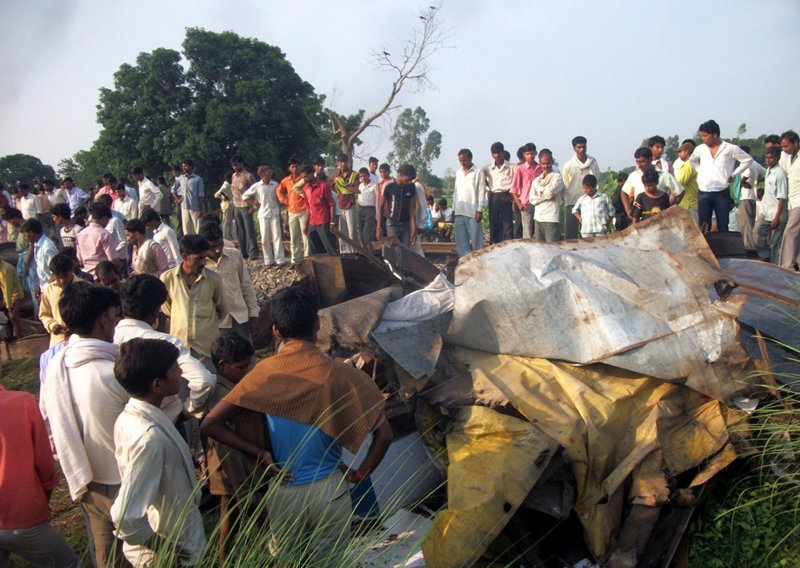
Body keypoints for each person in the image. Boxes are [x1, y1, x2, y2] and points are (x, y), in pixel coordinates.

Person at [201, 286, 392, 565]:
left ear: (276, 331)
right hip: (330, 491)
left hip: (283, 491)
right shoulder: (342, 374)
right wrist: (360, 474)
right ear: (317, 324)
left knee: (287, 562)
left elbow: (210, 424)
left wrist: (261, 454)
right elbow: (384, 434)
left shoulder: (263, 374)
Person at [40, 282, 129, 567]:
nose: (117, 322)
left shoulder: (56, 367)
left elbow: (49, 422)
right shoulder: (111, 372)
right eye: (115, 314)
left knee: (105, 553)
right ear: (103, 318)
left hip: (86, 476)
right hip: (122, 479)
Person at [110, 339, 207, 566]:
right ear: (157, 385)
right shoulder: (150, 439)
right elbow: (125, 516)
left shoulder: (132, 416)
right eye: (174, 369)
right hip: (167, 546)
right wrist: (167, 551)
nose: (181, 372)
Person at [115, 274, 216, 419]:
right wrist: (188, 409)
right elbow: (205, 381)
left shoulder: (109, 339)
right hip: (166, 419)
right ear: (157, 310)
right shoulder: (164, 342)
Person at [0, 385, 78, 568]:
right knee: (67, 563)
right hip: (21, 513)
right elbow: (44, 463)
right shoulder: (22, 402)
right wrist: (45, 496)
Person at [206, 332, 260, 562]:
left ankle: (225, 559)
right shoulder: (223, 395)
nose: (246, 372)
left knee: (229, 516)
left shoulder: (230, 385)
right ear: (223, 365)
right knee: (255, 515)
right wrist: (245, 488)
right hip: (233, 468)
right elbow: (227, 445)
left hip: (226, 469)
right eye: (241, 368)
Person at [160, 234, 225, 364]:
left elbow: (221, 308)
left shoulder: (213, 279)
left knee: (209, 381)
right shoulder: (167, 278)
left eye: (205, 258)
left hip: (206, 349)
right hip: (180, 347)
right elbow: (167, 309)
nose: (203, 262)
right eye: (199, 258)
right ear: (185, 256)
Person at [689, 119, 754, 232]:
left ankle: (723, 247)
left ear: (714, 135)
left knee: (723, 223)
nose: (703, 138)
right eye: (702, 136)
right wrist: (700, 171)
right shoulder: (701, 149)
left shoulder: (730, 148)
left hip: (721, 191)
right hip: (704, 190)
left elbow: (747, 160)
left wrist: (734, 174)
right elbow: (692, 160)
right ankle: (707, 248)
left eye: (705, 136)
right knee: (704, 225)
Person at [200, 222, 259, 341]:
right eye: (213, 247)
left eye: (220, 244)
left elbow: (246, 286)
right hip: (215, 323)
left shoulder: (235, 255)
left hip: (240, 318)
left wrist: (253, 314)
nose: (217, 250)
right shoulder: (199, 265)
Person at [621, 147, 684, 220]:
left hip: (660, 219)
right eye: (637, 162)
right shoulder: (634, 176)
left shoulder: (664, 175)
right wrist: (628, 210)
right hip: (641, 219)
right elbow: (624, 192)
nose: (639, 165)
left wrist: (670, 209)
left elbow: (680, 192)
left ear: (650, 159)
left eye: (642, 161)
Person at [243, 166, 287, 266]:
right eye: (268, 171)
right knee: (265, 238)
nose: (270, 173)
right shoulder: (257, 186)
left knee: (277, 237)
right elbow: (244, 196)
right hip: (263, 214)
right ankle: (268, 261)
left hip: (274, 212)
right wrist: (254, 203)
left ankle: (280, 259)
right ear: (262, 174)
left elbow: (281, 195)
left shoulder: (275, 184)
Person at [561, 136, 602, 239]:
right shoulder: (568, 165)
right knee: (571, 234)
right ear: (574, 148)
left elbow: (596, 179)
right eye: (579, 147)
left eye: (584, 147)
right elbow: (565, 184)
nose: (582, 150)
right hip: (572, 201)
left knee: (591, 233)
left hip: (590, 202)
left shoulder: (592, 163)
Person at [753, 146, 788, 263]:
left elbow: (782, 197)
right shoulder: (768, 171)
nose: (768, 160)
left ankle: (776, 266)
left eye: (771, 158)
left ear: (777, 158)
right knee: (757, 235)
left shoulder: (780, 174)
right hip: (767, 212)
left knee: (776, 243)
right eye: (766, 158)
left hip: (777, 213)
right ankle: (766, 257)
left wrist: (777, 217)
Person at [453, 149, 487, 257]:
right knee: (461, 240)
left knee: (476, 239)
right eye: (460, 161)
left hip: (473, 211)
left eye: (464, 160)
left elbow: (482, 191)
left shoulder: (478, 172)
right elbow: (455, 191)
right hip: (459, 210)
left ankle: (478, 261)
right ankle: (464, 261)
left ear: (470, 158)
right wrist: (454, 208)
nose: (462, 163)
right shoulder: (459, 172)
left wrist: (479, 209)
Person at [276, 159, 309, 265]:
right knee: (294, 237)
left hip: (304, 210)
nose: (294, 168)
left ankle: (308, 258)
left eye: (296, 166)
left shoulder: (304, 179)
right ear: (289, 168)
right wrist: (284, 200)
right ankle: (296, 260)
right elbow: (279, 191)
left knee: (306, 236)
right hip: (292, 211)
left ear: (300, 166)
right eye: (292, 167)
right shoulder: (286, 180)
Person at [38, 252, 75, 346]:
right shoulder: (49, 290)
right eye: (58, 278)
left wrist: (77, 328)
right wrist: (52, 325)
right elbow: (44, 315)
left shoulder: (84, 287)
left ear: (72, 270)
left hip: (80, 341)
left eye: (65, 276)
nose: (62, 281)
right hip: (58, 342)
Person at [483, 141, 515, 244]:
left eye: (499, 152)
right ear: (492, 154)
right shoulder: (487, 168)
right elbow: (481, 179)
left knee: (507, 224)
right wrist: (488, 189)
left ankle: (509, 246)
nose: (497, 155)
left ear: (503, 152)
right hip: (494, 196)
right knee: (494, 223)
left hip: (507, 195)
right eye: (494, 153)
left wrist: (514, 197)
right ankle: (493, 245)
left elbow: (517, 181)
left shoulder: (512, 167)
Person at [529, 149, 564, 242]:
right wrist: (544, 196)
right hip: (538, 217)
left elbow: (551, 192)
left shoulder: (557, 177)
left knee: (552, 248)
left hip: (551, 218)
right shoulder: (536, 181)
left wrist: (540, 196)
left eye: (548, 163)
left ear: (552, 162)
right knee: (540, 249)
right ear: (540, 164)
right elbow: (532, 199)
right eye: (543, 164)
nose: (546, 166)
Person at [379, 164, 418, 247]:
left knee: (406, 251)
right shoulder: (389, 186)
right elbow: (380, 207)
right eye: (407, 179)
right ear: (400, 174)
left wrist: (413, 228)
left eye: (411, 180)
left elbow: (412, 209)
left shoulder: (411, 187)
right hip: (392, 224)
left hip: (406, 224)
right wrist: (378, 227)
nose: (409, 182)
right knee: (394, 250)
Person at [301, 166, 337, 255]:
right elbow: (308, 207)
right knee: (313, 248)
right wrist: (305, 225)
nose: (304, 179)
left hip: (324, 220)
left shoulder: (323, 186)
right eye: (303, 177)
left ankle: (336, 264)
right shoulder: (305, 188)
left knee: (329, 246)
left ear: (312, 174)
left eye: (305, 176)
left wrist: (332, 222)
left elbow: (332, 204)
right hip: (312, 222)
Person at [737, 145, 767, 252]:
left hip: (745, 198)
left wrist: (742, 183)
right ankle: (749, 247)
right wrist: (756, 182)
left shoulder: (746, 165)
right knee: (749, 224)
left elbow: (745, 177)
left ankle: (748, 248)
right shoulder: (755, 164)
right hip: (752, 198)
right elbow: (766, 173)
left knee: (745, 226)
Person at [20, 218, 58, 302]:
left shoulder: (47, 247)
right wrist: (39, 284)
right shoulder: (37, 245)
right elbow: (43, 270)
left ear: (32, 233)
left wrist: (46, 292)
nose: (25, 238)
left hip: (52, 290)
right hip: (44, 287)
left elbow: (55, 272)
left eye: (25, 235)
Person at [510, 142, 542, 239]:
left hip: (539, 203)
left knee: (538, 231)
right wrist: (519, 204)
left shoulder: (540, 168)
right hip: (526, 204)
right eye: (528, 154)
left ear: (536, 153)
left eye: (532, 153)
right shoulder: (520, 169)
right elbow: (513, 189)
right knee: (527, 232)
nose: (530, 156)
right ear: (524, 155)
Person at [77, 202, 118, 276]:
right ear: (104, 218)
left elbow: (79, 260)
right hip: (104, 276)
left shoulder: (80, 234)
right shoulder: (104, 234)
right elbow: (112, 259)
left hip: (87, 274)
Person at [229, 156, 258, 258]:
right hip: (236, 205)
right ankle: (243, 253)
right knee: (239, 230)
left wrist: (253, 206)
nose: (234, 167)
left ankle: (253, 253)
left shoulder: (248, 176)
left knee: (249, 230)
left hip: (246, 206)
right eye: (233, 165)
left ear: (241, 164)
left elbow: (255, 191)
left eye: (236, 164)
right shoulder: (233, 176)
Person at [779, 130, 800, 270]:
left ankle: (787, 266)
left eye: (786, 146)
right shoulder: (789, 158)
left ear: (796, 143)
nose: (784, 150)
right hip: (793, 202)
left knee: (790, 232)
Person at [332, 154, 360, 253]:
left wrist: (344, 187)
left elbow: (357, 190)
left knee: (352, 232)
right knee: (342, 231)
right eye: (341, 162)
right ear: (338, 163)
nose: (343, 164)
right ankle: (344, 253)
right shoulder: (335, 175)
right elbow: (331, 186)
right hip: (340, 207)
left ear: (347, 162)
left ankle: (356, 252)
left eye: (345, 161)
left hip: (350, 206)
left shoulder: (354, 174)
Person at [179, 159, 205, 236]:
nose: (184, 168)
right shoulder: (181, 178)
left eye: (185, 166)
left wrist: (200, 209)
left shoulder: (198, 179)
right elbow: (173, 189)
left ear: (191, 167)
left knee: (198, 228)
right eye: (183, 166)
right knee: (186, 230)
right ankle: (188, 246)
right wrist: (177, 199)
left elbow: (201, 194)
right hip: (184, 207)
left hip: (195, 207)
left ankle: (200, 245)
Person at [675, 142, 700, 223]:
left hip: (688, 203)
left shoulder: (688, 165)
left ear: (686, 152)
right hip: (693, 201)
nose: (679, 154)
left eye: (680, 152)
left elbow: (680, 182)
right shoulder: (695, 163)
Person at [0, 258, 24, 340]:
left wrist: (9, 308)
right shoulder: (1, 268)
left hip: (15, 297)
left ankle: (19, 339)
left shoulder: (5, 270)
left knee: (14, 319)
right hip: (10, 297)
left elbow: (8, 290)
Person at [357, 167, 378, 246]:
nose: (363, 178)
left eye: (364, 176)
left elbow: (377, 200)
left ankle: (369, 250)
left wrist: (377, 214)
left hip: (370, 209)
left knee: (367, 232)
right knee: (361, 231)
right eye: (361, 176)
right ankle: (364, 249)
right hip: (360, 208)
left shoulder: (374, 186)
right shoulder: (360, 186)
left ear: (368, 176)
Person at [214, 174, 235, 241]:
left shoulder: (227, 185)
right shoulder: (226, 185)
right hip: (226, 204)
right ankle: (226, 236)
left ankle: (228, 235)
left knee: (228, 221)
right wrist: (224, 197)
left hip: (228, 204)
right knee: (226, 221)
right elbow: (216, 194)